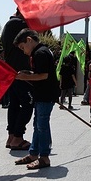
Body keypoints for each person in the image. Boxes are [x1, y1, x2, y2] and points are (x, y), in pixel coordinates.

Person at [13, 29, 60, 170]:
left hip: (46, 95)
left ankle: (44, 157)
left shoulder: (40, 53)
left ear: (29, 40)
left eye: (22, 47)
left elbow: (43, 75)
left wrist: (24, 77)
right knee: (37, 125)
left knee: (42, 126)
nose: (23, 51)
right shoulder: (41, 51)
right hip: (42, 95)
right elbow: (40, 73)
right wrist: (28, 73)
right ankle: (33, 153)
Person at [1, 9, 34, 151]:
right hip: (21, 72)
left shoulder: (9, 24)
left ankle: (11, 136)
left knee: (14, 104)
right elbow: (31, 36)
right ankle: (18, 137)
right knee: (28, 103)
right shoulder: (18, 23)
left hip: (12, 71)